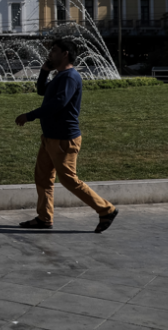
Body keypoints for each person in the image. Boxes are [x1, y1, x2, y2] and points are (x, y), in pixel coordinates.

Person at [15, 38, 118, 233]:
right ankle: (44, 218)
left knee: (69, 180)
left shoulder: (70, 77)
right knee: (43, 177)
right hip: (50, 138)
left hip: (63, 139)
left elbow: (58, 103)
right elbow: (42, 91)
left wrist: (30, 116)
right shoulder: (60, 76)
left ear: (65, 54)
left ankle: (106, 209)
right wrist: (44, 71)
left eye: (54, 50)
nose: (50, 54)